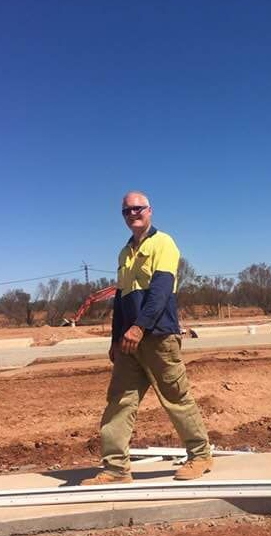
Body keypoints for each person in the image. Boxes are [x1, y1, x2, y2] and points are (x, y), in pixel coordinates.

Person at [82, 191, 213, 485]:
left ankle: (201, 455)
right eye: (127, 211)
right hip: (129, 342)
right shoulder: (123, 252)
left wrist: (140, 327)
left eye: (138, 208)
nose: (132, 214)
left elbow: (161, 290)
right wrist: (115, 339)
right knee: (119, 401)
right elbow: (121, 299)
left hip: (157, 337)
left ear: (150, 211)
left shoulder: (163, 243)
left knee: (176, 398)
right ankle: (116, 468)